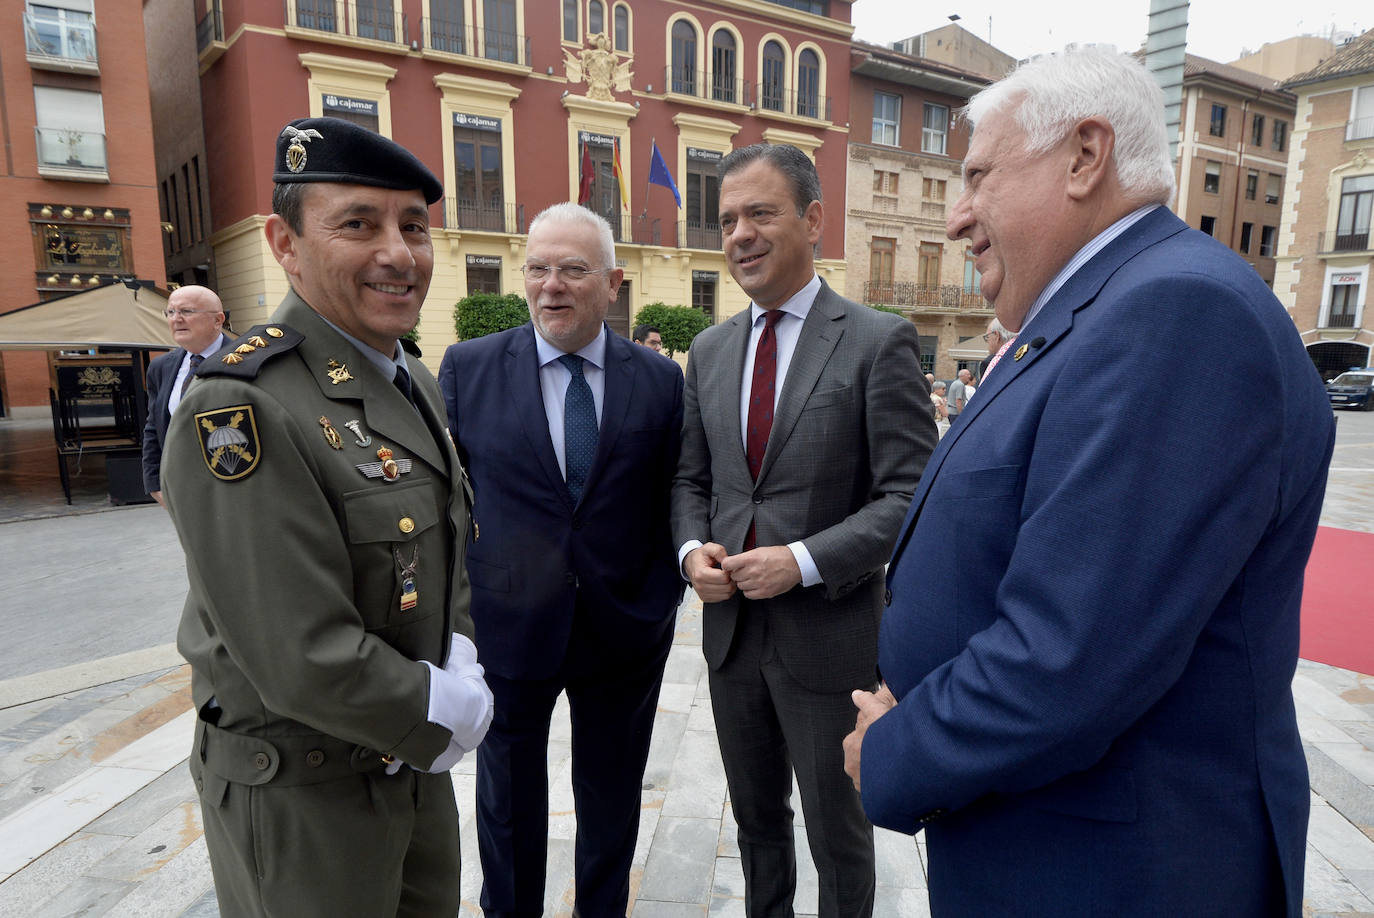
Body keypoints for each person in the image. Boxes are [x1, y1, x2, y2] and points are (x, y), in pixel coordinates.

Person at [843, 48, 1334, 916]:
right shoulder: (1100, 309)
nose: (957, 218)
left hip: (1111, 875)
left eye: (979, 177)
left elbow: (1067, 656)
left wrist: (895, 751)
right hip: (1048, 849)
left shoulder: (1177, 311)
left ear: (1084, 155)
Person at [160, 117, 493, 917]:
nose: (399, 253)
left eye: (413, 226)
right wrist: (440, 708)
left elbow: (442, 544)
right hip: (306, 797)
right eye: (359, 224)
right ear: (285, 243)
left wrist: (460, 653)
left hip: (408, 774)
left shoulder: (410, 378)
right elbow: (299, 651)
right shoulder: (242, 406)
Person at [672, 143, 937, 917]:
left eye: (760, 213)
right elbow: (691, 482)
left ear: (813, 219)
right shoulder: (709, 350)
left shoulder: (877, 340)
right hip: (731, 641)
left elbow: (911, 495)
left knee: (838, 838)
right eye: (728, 219)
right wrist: (691, 553)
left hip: (830, 645)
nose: (740, 235)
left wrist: (802, 560)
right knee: (757, 829)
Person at [438, 203, 684, 916]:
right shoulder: (468, 368)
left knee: (612, 798)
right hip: (509, 626)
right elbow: (443, 499)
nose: (552, 285)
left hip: (624, 629)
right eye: (539, 268)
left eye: (573, 269)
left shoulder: (660, 380)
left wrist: (664, 591)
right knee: (508, 802)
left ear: (613, 283)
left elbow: (678, 491)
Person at [141, 285, 229, 506]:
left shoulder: (246, 359)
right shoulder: (161, 367)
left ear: (218, 320)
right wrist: (154, 484)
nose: (176, 319)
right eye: (171, 312)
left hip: (234, 483)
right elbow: (154, 427)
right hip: (183, 489)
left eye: (187, 311)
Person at [977, 316, 1014, 383]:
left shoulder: (991, 362)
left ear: (997, 336)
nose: (987, 342)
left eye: (987, 337)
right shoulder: (1022, 356)